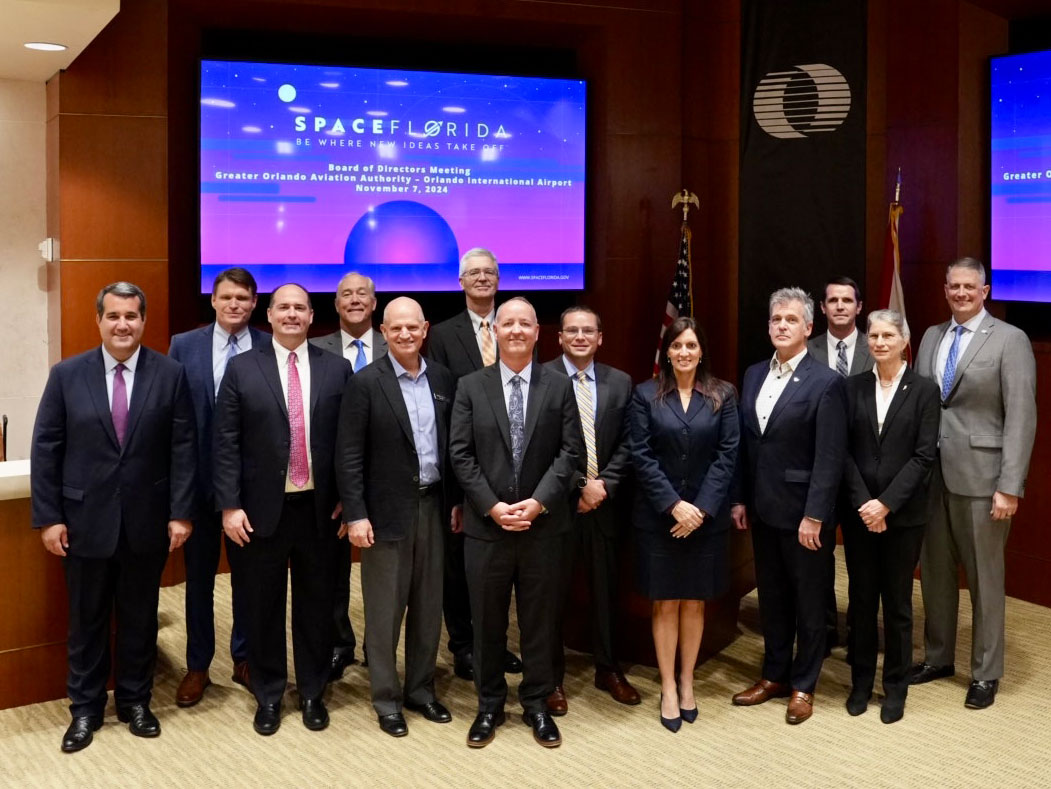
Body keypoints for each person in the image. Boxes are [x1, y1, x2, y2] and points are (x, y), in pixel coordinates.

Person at [31, 282, 196, 752]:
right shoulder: (67, 375)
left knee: (140, 618)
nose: (123, 324)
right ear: (98, 320)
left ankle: (135, 702)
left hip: (148, 522)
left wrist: (181, 513)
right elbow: (46, 449)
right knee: (87, 621)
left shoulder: (170, 374)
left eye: (132, 316)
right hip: (83, 524)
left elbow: (183, 449)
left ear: (144, 321)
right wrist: (49, 517)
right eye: (113, 316)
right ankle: (84, 710)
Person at [213, 283, 352, 735]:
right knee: (262, 605)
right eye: (283, 307)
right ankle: (269, 693)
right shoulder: (241, 368)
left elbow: (350, 446)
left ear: (312, 316)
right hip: (259, 512)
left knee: (317, 606)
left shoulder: (338, 369)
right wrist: (230, 507)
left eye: (300, 308)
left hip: (319, 510)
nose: (291, 314)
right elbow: (226, 443)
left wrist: (351, 503)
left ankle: (312, 691)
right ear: (268, 315)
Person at [449, 297, 582, 749]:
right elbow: (460, 455)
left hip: (544, 528)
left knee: (539, 622)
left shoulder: (559, 385)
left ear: (538, 332)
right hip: (487, 528)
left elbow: (570, 453)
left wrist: (538, 503)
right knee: (486, 622)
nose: (517, 331)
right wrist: (491, 506)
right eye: (508, 324)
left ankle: (538, 704)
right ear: (495, 331)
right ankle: (489, 705)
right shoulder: (471, 386)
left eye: (525, 323)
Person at [909, 257, 1037, 709]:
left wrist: (1010, 484)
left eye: (970, 287)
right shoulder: (929, 336)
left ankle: (985, 672)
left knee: (985, 578)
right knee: (936, 574)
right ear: (945, 290)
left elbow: (1021, 416)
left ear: (985, 291)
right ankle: (939, 657)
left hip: (984, 480)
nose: (961, 293)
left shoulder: (1011, 340)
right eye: (953, 286)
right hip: (931, 477)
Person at [335, 297, 456, 737]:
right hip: (384, 515)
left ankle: (421, 690)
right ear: (382, 332)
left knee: (428, 607)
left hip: (434, 506)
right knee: (385, 611)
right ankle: (386, 698)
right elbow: (348, 455)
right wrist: (356, 514)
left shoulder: (443, 379)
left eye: (413, 327)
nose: (405, 334)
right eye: (396, 328)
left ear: (425, 330)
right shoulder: (365, 382)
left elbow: (453, 448)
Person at [731, 287, 847, 725]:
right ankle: (774, 674)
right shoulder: (754, 373)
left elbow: (829, 456)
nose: (782, 325)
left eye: (791, 320)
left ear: (808, 327)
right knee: (773, 598)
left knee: (810, 601)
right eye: (776, 319)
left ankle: (804, 684)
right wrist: (740, 498)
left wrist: (815, 514)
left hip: (805, 516)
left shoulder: (827, 382)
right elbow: (746, 444)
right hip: (762, 509)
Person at [629, 317, 739, 732]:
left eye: (691, 345)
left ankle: (687, 680)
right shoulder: (645, 395)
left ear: (701, 350)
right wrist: (675, 506)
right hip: (660, 518)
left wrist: (701, 509)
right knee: (666, 601)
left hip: (706, 519)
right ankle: (668, 687)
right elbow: (641, 455)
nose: (684, 352)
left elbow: (728, 455)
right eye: (677, 346)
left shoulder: (723, 394)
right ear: (667, 351)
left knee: (694, 600)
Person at [169, 267, 269, 706]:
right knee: (199, 582)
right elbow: (175, 422)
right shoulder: (183, 346)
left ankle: (245, 659)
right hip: (198, 489)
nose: (234, 305)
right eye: (226, 297)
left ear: (253, 303)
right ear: (213, 300)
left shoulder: (270, 346)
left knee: (250, 581)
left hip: (250, 492)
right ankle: (198, 666)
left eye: (243, 299)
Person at [428, 247, 522, 681]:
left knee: (502, 567)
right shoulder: (443, 335)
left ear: (498, 280)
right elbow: (442, 408)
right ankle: (464, 646)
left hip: (515, 469)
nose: (482, 279)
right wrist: (457, 489)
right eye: (473, 273)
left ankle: (497, 646)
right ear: (460, 282)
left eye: (489, 272)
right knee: (459, 566)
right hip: (463, 465)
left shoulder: (517, 327)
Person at [841, 309, 939, 723]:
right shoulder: (851, 388)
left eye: (887, 335)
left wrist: (886, 504)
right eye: (873, 335)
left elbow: (923, 455)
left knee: (897, 603)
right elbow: (841, 451)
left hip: (902, 516)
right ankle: (861, 682)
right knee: (861, 600)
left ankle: (894, 686)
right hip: (859, 513)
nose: (879, 342)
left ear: (904, 340)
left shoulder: (924, 390)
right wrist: (866, 503)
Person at [543, 306, 641, 715]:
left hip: (605, 503)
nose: (580, 336)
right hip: (557, 505)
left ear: (600, 337)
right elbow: (541, 447)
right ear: (560, 338)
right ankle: (550, 678)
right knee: (550, 595)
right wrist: (578, 486)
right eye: (572, 330)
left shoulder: (621, 382)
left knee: (606, 589)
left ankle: (608, 667)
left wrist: (602, 487)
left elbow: (631, 442)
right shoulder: (542, 379)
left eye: (588, 331)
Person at [311, 271, 387, 679]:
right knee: (332, 570)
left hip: (388, 479)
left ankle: (380, 646)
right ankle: (340, 642)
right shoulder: (314, 350)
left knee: (384, 573)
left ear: (374, 304)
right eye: (346, 294)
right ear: (336, 304)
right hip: (333, 483)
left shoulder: (397, 343)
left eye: (362, 294)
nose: (355, 300)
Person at [807, 276, 873, 654]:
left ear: (859, 306)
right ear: (822, 307)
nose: (840, 306)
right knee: (819, 558)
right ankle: (826, 628)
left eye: (847, 300)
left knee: (862, 560)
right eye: (832, 300)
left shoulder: (877, 345)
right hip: (819, 470)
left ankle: (860, 633)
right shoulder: (808, 349)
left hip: (865, 473)